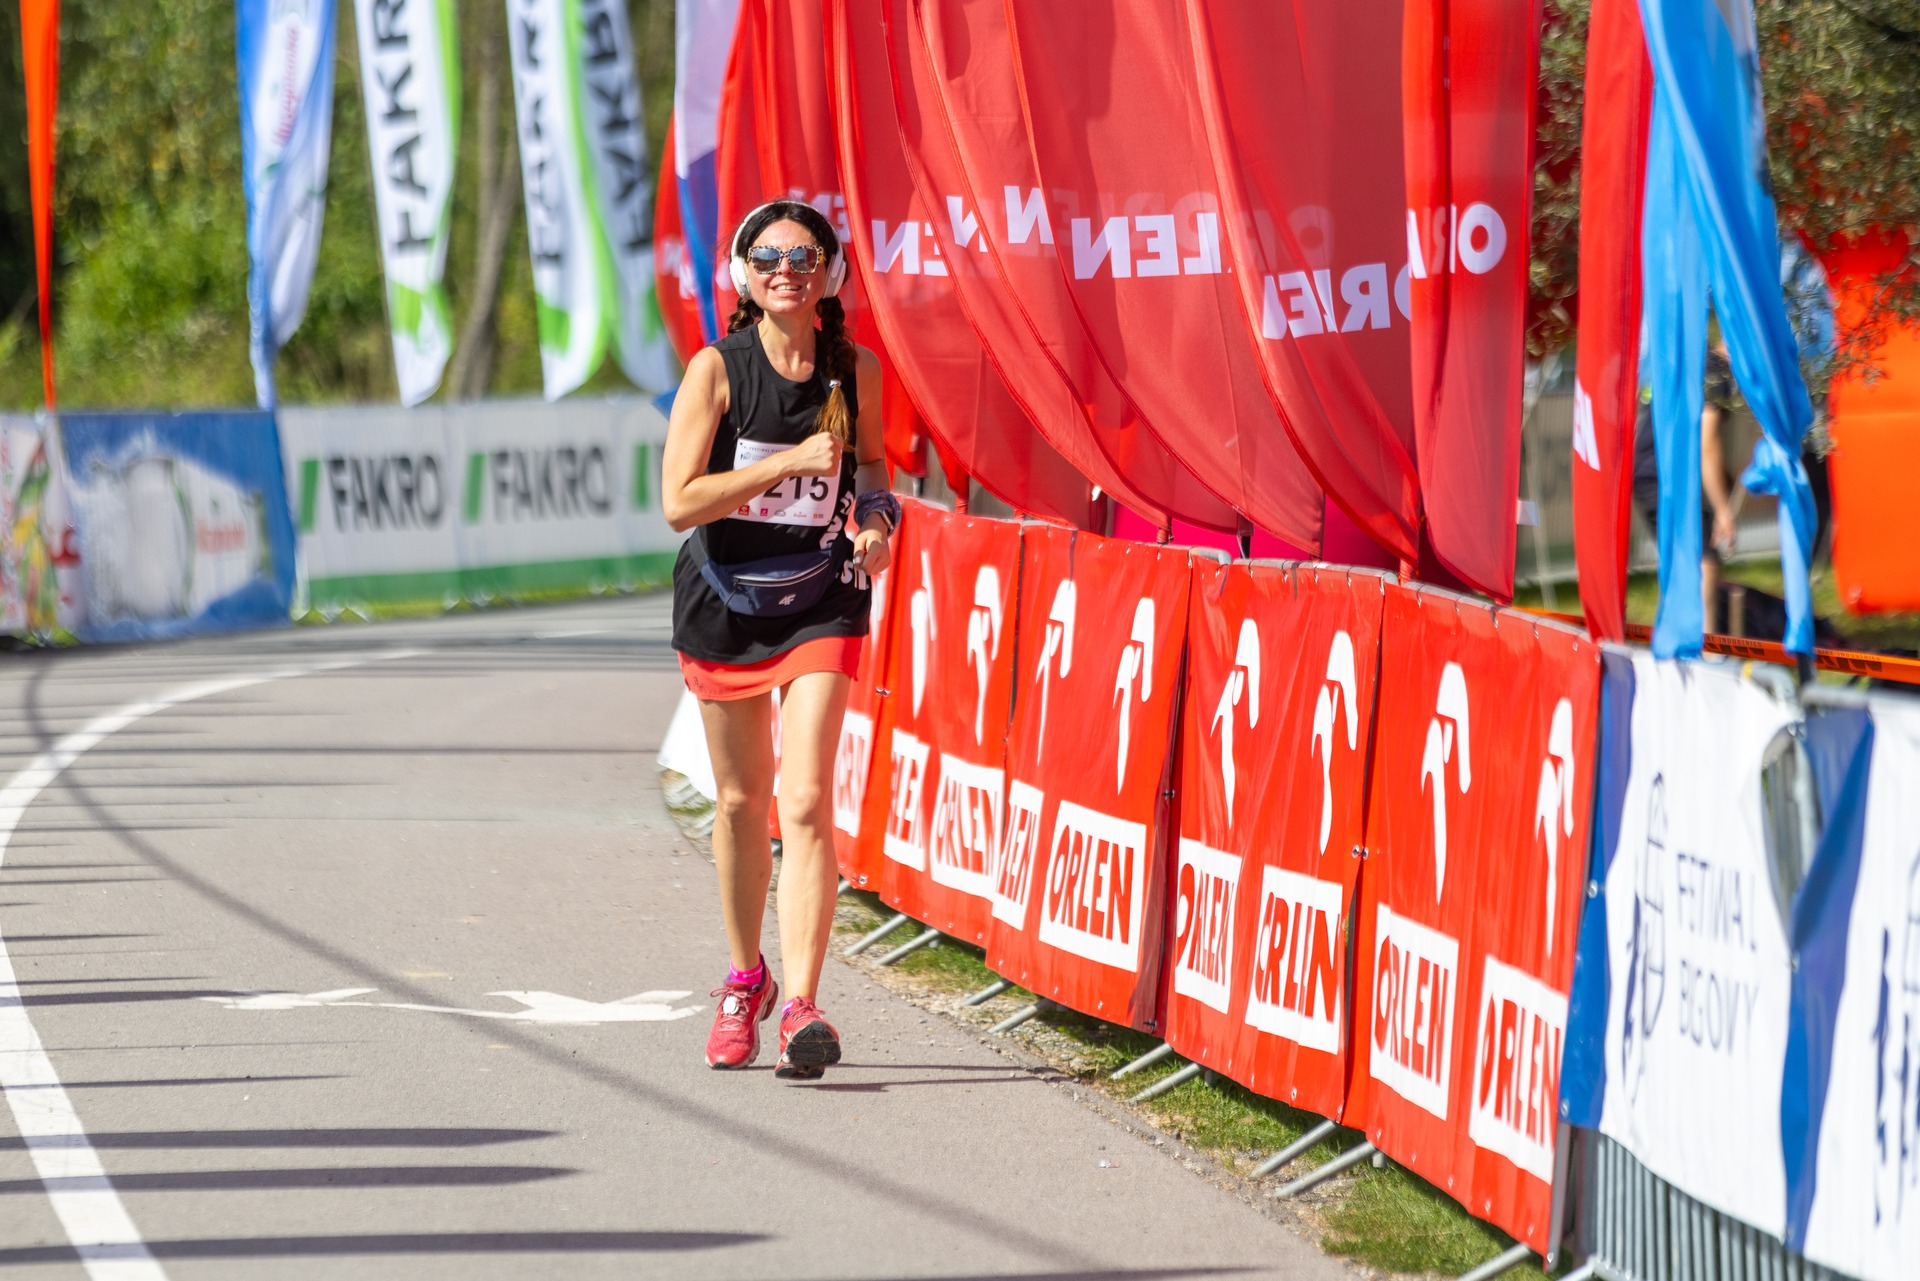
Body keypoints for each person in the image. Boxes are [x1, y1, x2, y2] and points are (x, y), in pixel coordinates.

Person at [662, 200, 896, 1080]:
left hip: (821, 599)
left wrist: (876, 525)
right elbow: (678, 502)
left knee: (803, 800)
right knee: (740, 803)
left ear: (831, 273)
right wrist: (785, 463)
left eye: (804, 257)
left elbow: (872, 468)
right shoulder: (716, 370)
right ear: (743, 274)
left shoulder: (856, 370)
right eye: (768, 257)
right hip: (726, 599)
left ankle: (802, 1003)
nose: (786, 270)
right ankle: (744, 979)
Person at [1633, 340, 1737, 634]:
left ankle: (1672, 638)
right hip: (1665, 474)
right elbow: (1707, 445)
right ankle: (1703, 645)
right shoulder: (1715, 370)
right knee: (1704, 562)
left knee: (1681, 560)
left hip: (1647, 471)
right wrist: (1723, 510)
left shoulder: (1694, 356)